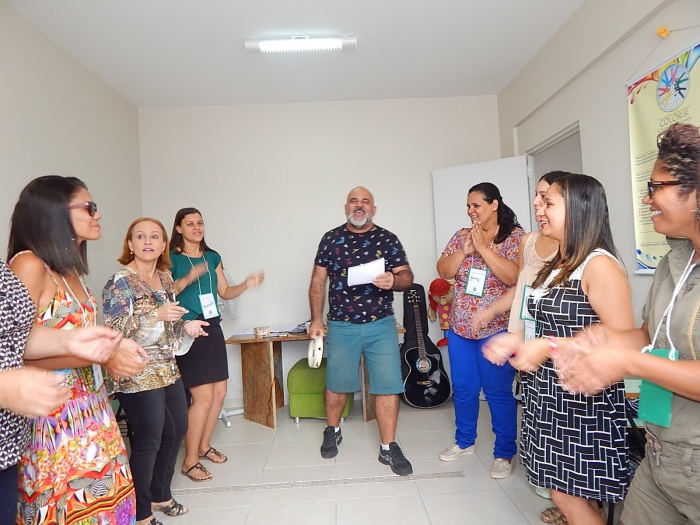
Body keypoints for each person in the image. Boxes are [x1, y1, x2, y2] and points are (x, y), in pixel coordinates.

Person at [555, 123, 700, 525]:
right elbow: (650, 335)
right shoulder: (674, 262)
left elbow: (641, 357)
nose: (647, 198)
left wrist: (627, 363)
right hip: (661, 453)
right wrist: (593, 342)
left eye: (656, 187)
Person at [483, 174, 635, 525]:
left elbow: (623, 339)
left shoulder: (599, 265)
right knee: (563, 494)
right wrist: (517, 341)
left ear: (579, 210)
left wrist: (549, 345)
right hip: (548, 396)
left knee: (570, 496)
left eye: (549, 203)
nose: (539, 209)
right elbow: (549, 323)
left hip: (582, 403)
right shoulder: (559, 264)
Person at [8, 175, 147, 525]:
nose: (97, 215)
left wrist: (110, 351)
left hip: (90, 406)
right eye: (89, 207)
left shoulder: (70, 269)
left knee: (105, 503)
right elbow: (13, 350)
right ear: (53, 211)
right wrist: (104, 355)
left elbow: (67, 340)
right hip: (52, 413)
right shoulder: (29, 264)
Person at [0, 257, 127, 525]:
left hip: (7, 449)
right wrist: (5, 384)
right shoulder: (28, 263)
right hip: (55, 414)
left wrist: (70, 341)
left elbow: (15, 337)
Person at [103, 218, 210, 525]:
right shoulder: (120, 281)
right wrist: (155, 315)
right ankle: (141, 512)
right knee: (149, 439)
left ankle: (161, 494)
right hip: (135, 369)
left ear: (164, 244)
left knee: (176, 430)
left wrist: (186, 327)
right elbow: (114, 332)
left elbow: (169, 325)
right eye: (140, 236)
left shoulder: (164, 278)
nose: (148, 241)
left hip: (167, 367)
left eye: (154, 236)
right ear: (131, 244)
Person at [308, 186, 414, 475]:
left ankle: (388, 447)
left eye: (365, 201)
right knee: (337, 384)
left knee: (388, 387)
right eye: (353, 201)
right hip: (341, 324)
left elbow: (407, 276)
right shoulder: (331, 239)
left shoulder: (388, 239)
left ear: (373, 209)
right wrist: (315, 319)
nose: (359, 205)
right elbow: (318, 281)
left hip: (381, 325)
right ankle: (332, 430)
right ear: (346, 208)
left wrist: (394, 280)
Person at [169, 207, 264, 482]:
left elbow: (224, 291)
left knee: (219, 393)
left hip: (213, 326)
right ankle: (189, 462)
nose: (197, 227)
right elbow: (163, 294)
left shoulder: (212, 257)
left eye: (200, 222)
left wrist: (245, 284)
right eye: (190, 223)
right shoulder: (171, 259)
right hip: (190, 329)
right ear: (179, 228)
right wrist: (188, 278)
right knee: (203, 397)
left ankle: (203, 446)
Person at [436, 182, 523, 479]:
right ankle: (464, 442)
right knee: (463, 389)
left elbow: (513, 277)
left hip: (496, 329)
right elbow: (444, 271)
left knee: (497, 393)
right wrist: (465, 251)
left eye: (476, 205)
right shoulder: (461, 235)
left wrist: (484, 249)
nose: (471, 211)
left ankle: (504, 453)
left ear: (494, 205)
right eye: (468, 206)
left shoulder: (515, 237)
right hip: (461, 327)